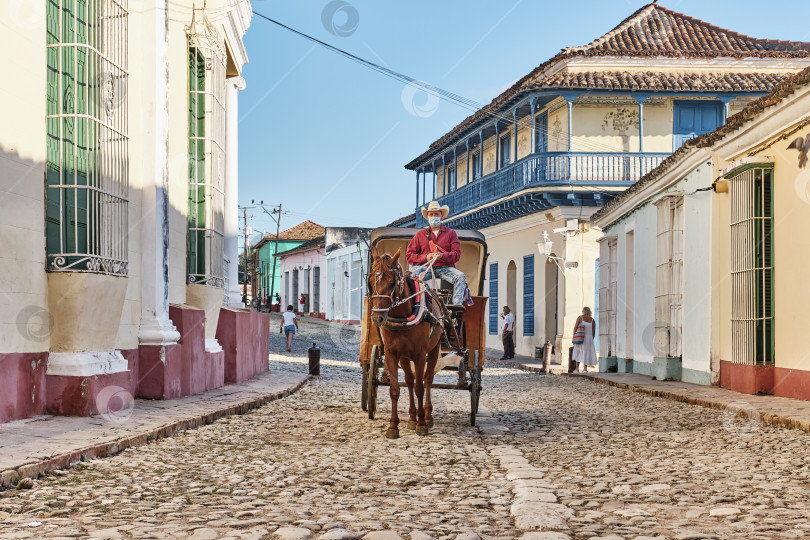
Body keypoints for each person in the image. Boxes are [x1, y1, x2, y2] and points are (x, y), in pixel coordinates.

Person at [406, 200, 466, 307]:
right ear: (428, 217)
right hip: (426, 268)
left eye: (436, 214)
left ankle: (456, 308)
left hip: (445, 268)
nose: (434, 216)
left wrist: (443, 256)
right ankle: (413, 305)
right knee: (411, 277)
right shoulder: (419, 235)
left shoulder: (451, 233)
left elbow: (456, 254)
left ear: (441, 216)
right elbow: (409, 256)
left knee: (460, 277)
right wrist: (427, 257)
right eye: (431, 214)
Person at [572, 306, 597, 372]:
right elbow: (593, 331)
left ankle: (577, 369)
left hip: (580, 337)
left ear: (583, 311)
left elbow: (575, 328)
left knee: (578, 352)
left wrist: (574, 336)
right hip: (589, 339)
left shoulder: (580, 318)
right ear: (590, 312)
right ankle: (585, 369)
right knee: (586, 353)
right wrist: (591, 339)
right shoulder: (592, 320)